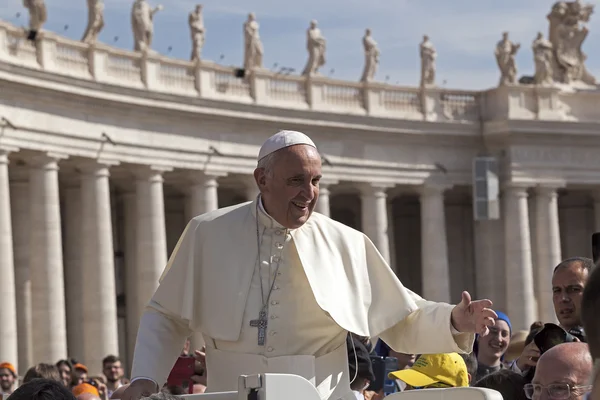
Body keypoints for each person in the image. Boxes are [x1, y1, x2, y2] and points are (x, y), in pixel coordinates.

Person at [122, 130, 497, 400]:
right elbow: (167, 315)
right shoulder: (207, 233)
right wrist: (145, 378)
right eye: (296, 180)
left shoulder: (345, 243)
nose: (309, 193)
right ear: (261, 179)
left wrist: (454, 320)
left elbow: (400, 317)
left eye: (316, 180)